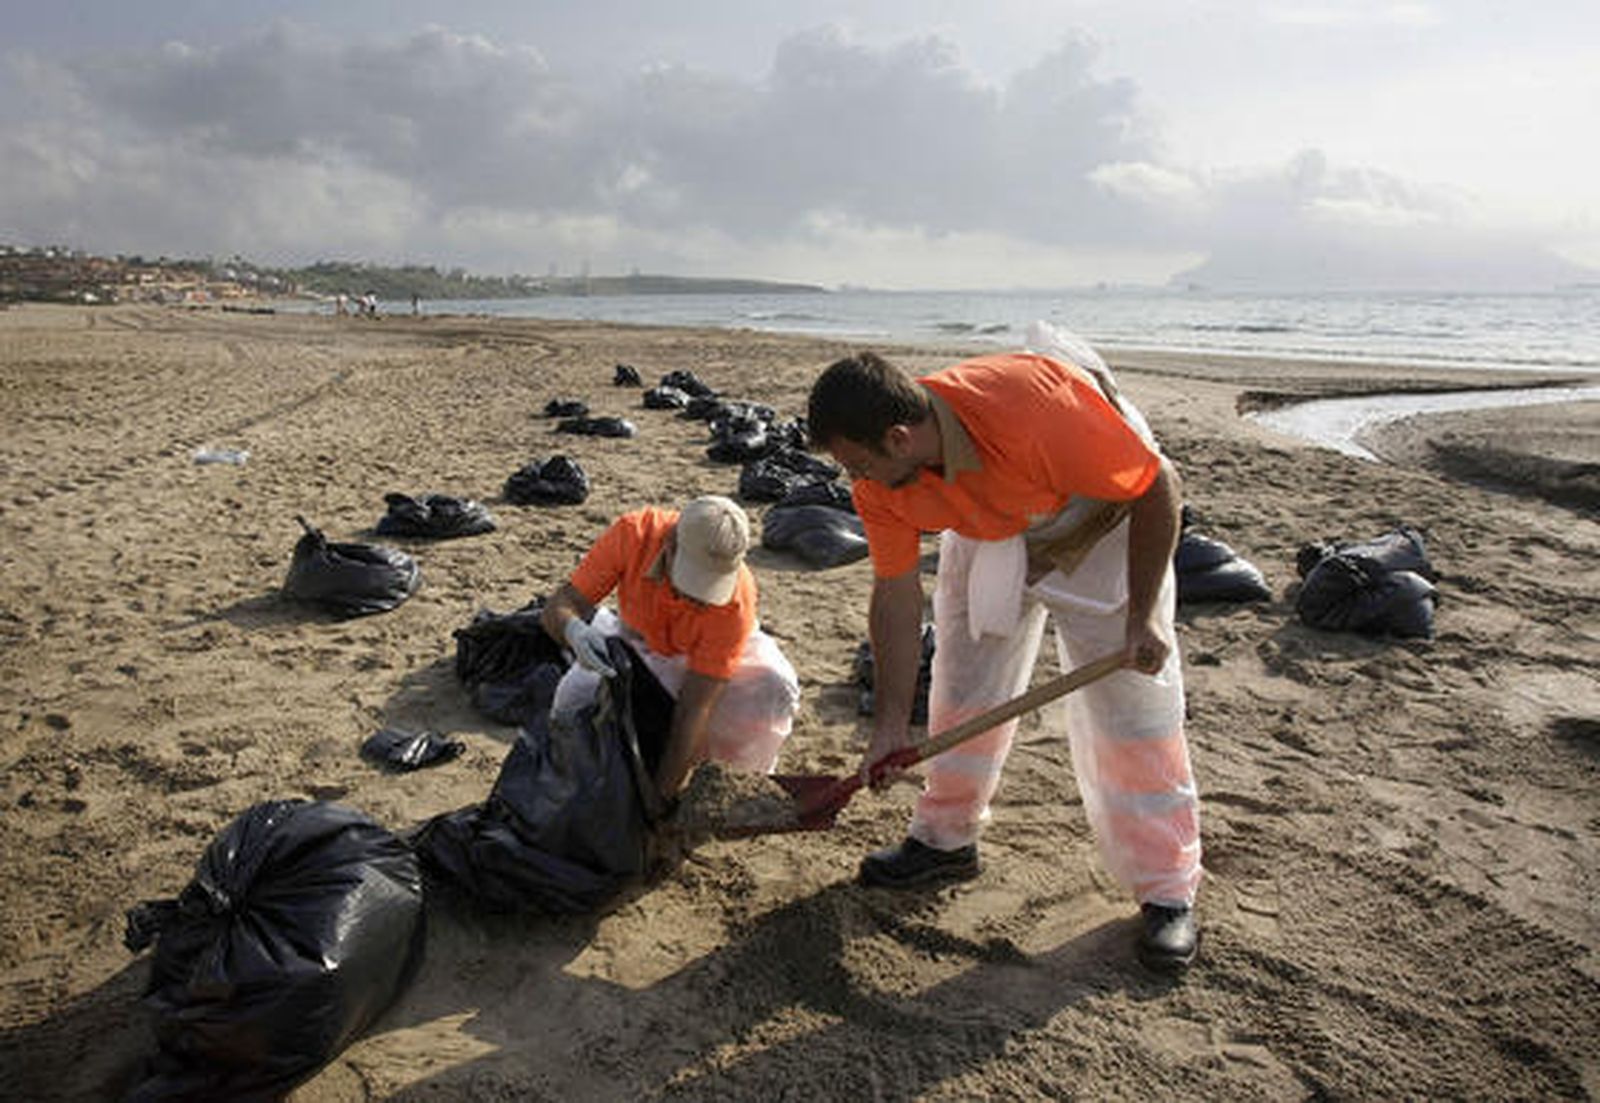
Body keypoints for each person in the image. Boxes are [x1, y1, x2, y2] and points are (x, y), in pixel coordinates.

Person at [805, 326, 1203, 972]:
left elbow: (1159, 484)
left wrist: (1141, 618)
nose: (856, 480)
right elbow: (897, 599)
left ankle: (1167, 890)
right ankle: (946, 837)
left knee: (1134, 714)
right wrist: (885, 727)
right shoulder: (884, 483)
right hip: (994, 524)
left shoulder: (1034, 408)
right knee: (962, 682)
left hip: (1102, 517)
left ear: (898, 438)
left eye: (858, 463)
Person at [540, 495, 800, 799]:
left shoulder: (735, 601)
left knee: (773, 686)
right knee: (575, 698)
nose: (696, 599)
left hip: (705, 654)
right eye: (691, 584)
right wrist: (574, 631)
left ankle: (738, 786)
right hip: (639, 643)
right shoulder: (633, 534)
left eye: (709, 590)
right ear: (670, 546)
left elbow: (696, 706)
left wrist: (662, 798)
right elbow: (560, 605)